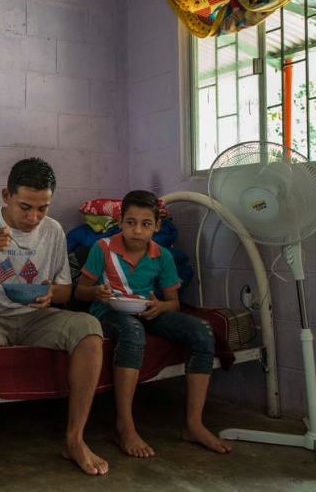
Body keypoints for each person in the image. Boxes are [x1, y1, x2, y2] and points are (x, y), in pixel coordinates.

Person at [0, 158, 108, 492]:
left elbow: (64, 290)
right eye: (25, 207)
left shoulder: (54, 230)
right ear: (6, 195)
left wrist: (50, 294)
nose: (33, 218)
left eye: (42, 208)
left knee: (89, 328)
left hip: (36, 317)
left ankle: (74, 439)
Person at [73, 190, 232, 457]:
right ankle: (124, 426)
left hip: (148, 311)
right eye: (130, 222)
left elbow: (173, 304)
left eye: (146, 224)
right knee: (132, 331)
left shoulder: (163, 256)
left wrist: (159, 306)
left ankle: (193, 424)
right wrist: (96, 292)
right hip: (109, 312)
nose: (137, 230)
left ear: (157, 226)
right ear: (120, 222)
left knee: (202, 330)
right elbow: (80, 291)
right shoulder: (103, 249)